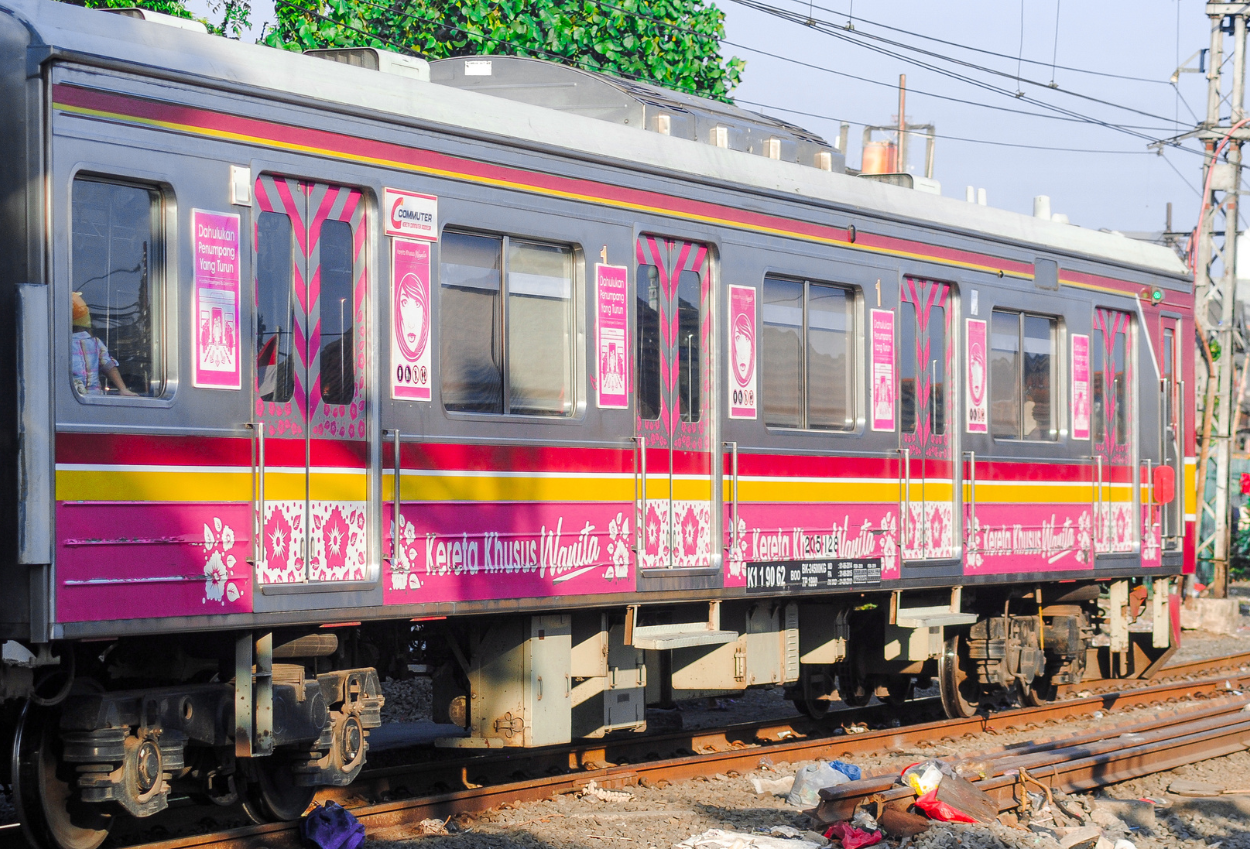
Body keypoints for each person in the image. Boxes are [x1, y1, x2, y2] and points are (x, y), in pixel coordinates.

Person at [71, 291, 136, 396]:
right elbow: (109, 366)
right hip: (95, 397)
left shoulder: (58, 344)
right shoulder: (95, 343)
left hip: (71, 396)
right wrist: (123, 389)